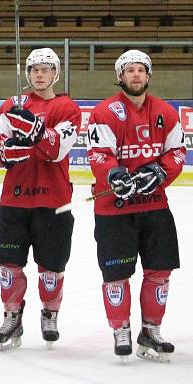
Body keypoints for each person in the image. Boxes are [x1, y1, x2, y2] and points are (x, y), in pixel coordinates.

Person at [86, 50, 186, 363]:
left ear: (148, 75)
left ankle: (150, 330)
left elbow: (177, 152)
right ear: (120, 77)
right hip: (115, 210)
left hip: (155, 207)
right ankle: (121, 330)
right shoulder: (105, 112)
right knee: (116, 274)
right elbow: (99, 152)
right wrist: (114, 174)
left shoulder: (166, 112)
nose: (136, 75)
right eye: (129, 70)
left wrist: (160, 172)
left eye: (141, 70)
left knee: (160, 270)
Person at [0, 48, 81, 351]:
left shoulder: (67, 107)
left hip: (54, 200)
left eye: (45, 69)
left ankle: (50, 314)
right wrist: (9, 150)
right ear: (27, 74)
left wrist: (36, 131)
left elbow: (58, 150)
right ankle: (12, 317)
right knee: (8, 265)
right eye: (34, 70)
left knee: (51, 267)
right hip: (15, 199)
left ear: (56, 73)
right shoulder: (10, 106)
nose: (39, 75)